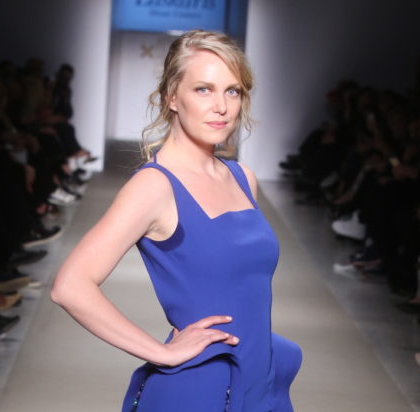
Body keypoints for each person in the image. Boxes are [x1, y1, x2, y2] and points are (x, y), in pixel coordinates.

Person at [51, 30, 302, 411]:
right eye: (203, 89)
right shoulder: (154, 187)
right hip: (199, 388)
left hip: (259, 381)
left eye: (233, 91)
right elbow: (70, 286)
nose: (221, 106)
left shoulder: (242, 178)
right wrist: (159, 351)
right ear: (171, 96)